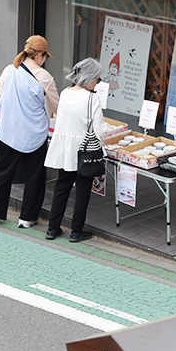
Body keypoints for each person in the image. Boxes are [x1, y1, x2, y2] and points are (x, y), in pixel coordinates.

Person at [0, 35, 60, 228]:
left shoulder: (9, 70)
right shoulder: (45, 77)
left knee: (2, 174)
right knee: (35, 177)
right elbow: (58, 108)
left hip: (9, 131)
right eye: (45, 57)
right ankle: (27, 217)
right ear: (40, 55)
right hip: (35, 135)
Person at [44, 58, 104, 243]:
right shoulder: (92, 98)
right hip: (84, 151)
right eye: (97, 79)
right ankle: (76, 231)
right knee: (83, 191)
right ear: (90, 78)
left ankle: (52, 228)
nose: (97, 83)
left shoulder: (65, 93)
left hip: (65, 149)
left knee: (61, 187)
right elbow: (98, 130)